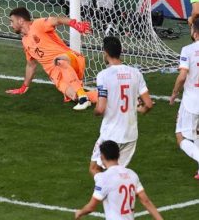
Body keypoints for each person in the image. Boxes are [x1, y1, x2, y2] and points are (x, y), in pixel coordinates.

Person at [6, 7, 97, 110]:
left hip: (70, 59)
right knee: (74, 96)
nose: (10, 25)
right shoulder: (25, 41)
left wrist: (75, 24)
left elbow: (58, 20)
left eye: (12, 21)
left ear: (20, 21)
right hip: (57, 75)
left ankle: (83, 98)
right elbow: (31, 65)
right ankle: (102, 95)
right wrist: (24, 87)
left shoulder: (37, 24)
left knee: (59, 61)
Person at [89, 36, 154, 176]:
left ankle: (105, 190)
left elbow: (100, 109)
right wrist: (142, 109)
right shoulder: (136, 73)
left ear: (105, 53)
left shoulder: (103, 75)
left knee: (95, 169)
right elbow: (148, 103)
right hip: (130, 135)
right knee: (116, 173)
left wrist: (94, 111)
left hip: (111, 134)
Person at [75, 140, 163, 219]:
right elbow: (146, 201)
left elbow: (91, 207)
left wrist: (80, 212)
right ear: (118, 155)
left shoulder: (104, 178)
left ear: (102, 157)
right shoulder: (132, 174)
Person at [169, 17, 199, 180]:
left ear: (195, 33)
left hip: (192, 101)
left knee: (180, 135)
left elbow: (182, 77)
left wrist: (174, 93)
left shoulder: (187, 50)